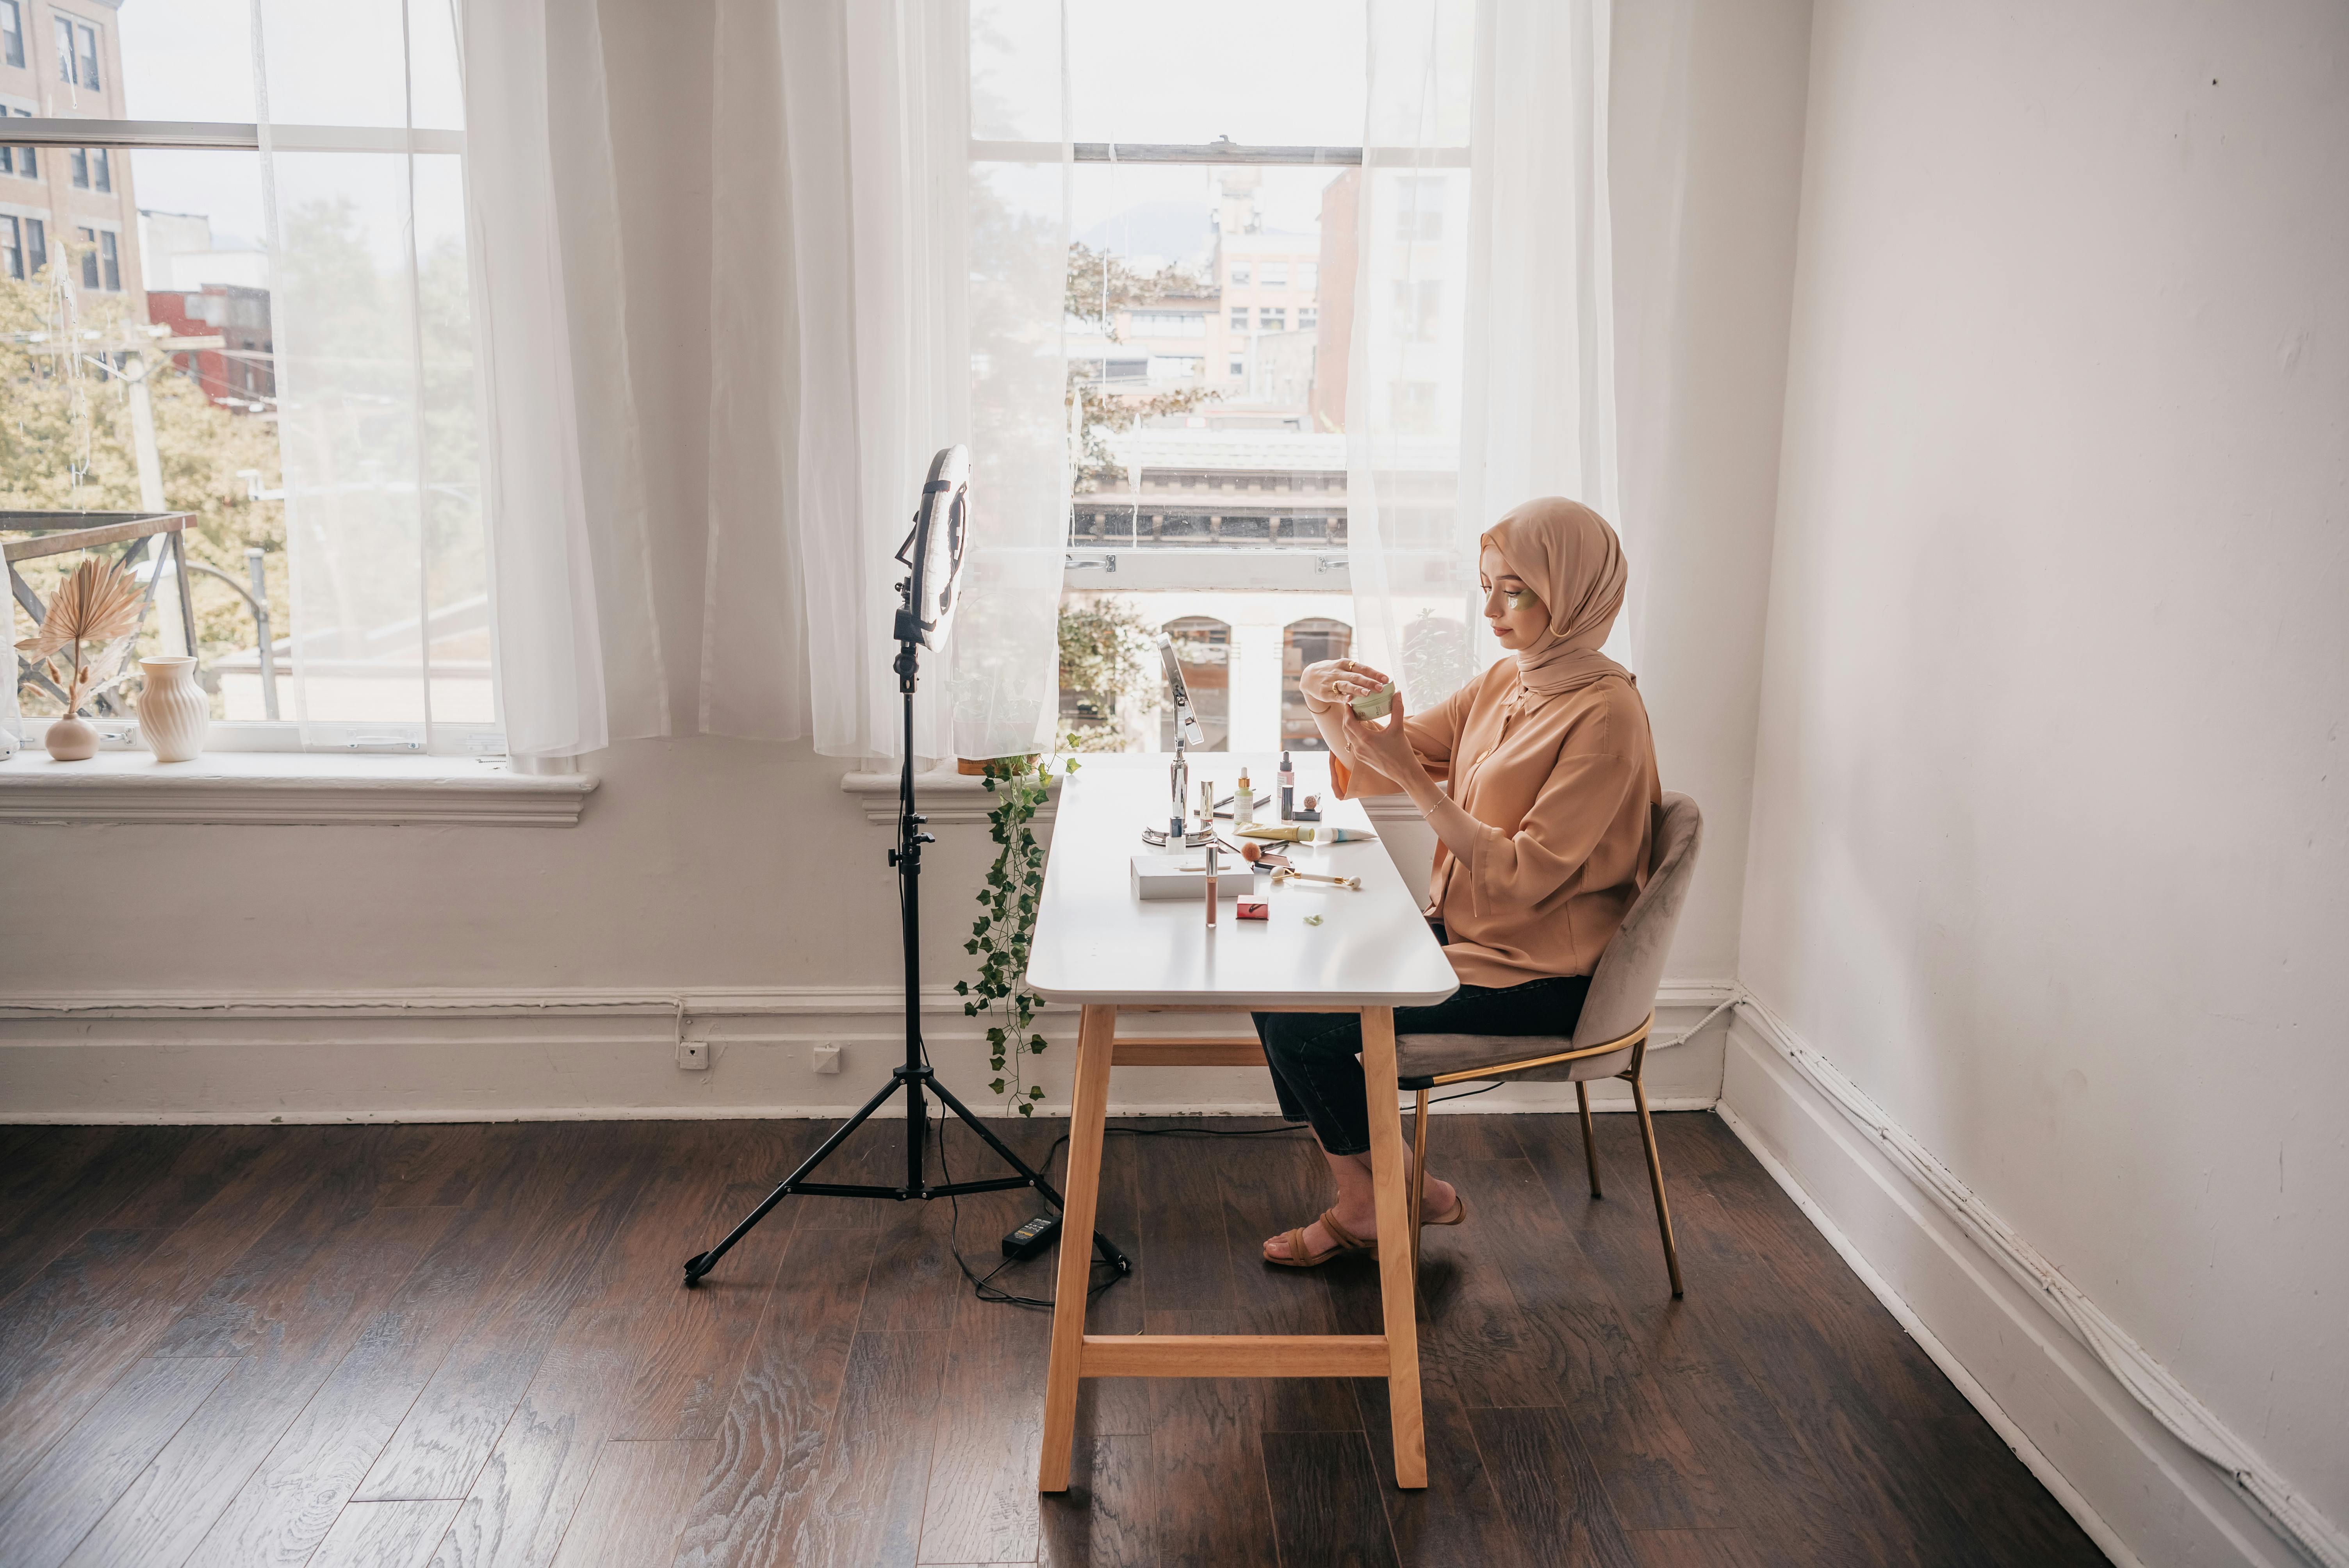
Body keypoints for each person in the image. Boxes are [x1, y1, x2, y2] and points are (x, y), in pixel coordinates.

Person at [1255, 496, 1663, 1265]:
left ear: (1572, 592)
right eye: (1485, 585)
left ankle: (1375, 1199)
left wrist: (1410, 774)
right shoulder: (1509, 680)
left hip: (1542, 972)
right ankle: (1392, 1191)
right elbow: (1393, 746)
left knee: (1302, 1032)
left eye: (1513, 590)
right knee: (1277, 984)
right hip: (1468, 938)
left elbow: (1520, 876)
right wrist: (1324, 692)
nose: (1489, 609)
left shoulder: (1607, 718)